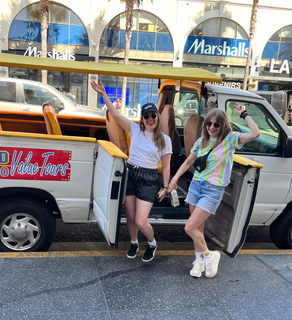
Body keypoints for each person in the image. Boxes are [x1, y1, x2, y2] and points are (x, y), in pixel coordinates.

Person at [168, 104, 260, 278]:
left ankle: (210, 256)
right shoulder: (201, 141)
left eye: (216, 124)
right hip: (196, 186)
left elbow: (255, 134)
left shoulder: (230, 139)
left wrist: (244, 114)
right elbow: (188, 162)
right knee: (198, 228)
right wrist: (173, 180)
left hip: (213, 190)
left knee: (189, 227)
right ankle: (199, 261)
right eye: (209, 123)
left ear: (223, 126)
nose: (211, 127)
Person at [91, 80, 172, 262]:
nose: (150, 119)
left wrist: (166, 187)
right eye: (146, 116)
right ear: (142, 118)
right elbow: (114, 113)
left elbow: (166, 166)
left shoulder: (165, 139)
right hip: (131, 174)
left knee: (141, 220)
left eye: (153, 116)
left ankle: (152, 243)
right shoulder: (134, 129)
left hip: (149, 178)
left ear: (157, 117)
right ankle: (134, 242)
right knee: (131, 217)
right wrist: (103, 94)